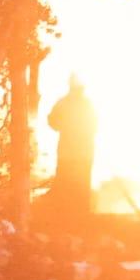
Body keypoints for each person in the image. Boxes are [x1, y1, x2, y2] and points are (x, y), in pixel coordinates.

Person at [47, 75, 98, 225]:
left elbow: (52, 122)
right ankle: (77, 218)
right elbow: (95, 126)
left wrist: (65, 127)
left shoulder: (65, 103)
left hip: (71, 153)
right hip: (80, 153)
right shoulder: (86, 104)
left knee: (69, 184)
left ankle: (69, 218)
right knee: (78, 185)